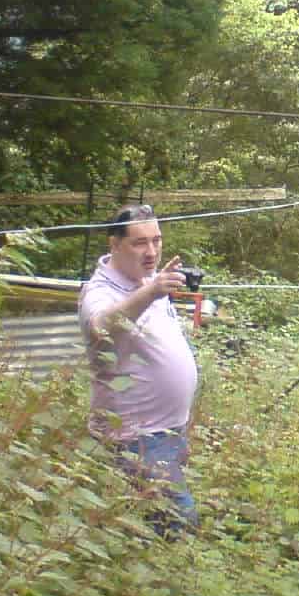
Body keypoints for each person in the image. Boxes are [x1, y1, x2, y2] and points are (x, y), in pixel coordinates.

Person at [78, 203, 199, 531]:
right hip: (135, 436)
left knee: (143, 523)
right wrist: (150, 292)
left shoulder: (148, 281)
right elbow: (100, 325)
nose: (151, 251)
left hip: (169, 430)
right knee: (179, 522)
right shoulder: (100, 289)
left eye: (156, 240)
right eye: (139, 242)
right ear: (114, 244)